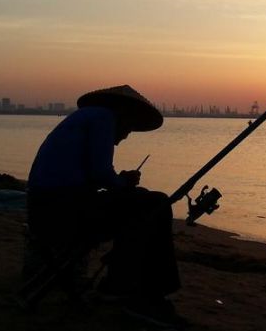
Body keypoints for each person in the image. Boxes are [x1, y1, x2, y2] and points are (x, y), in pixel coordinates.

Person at [26, 85, 183, 327]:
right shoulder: (103, 117)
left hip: (45, 209)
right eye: (129, 129)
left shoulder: (85, 119)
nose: (124, 138)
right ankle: (139, 290)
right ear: (124, 113)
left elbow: (89, 176)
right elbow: (101, 173)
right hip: (61, 212)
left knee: (142, 201)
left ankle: (121, 282)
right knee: (156, 203)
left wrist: (120, 183)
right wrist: (122, 182)